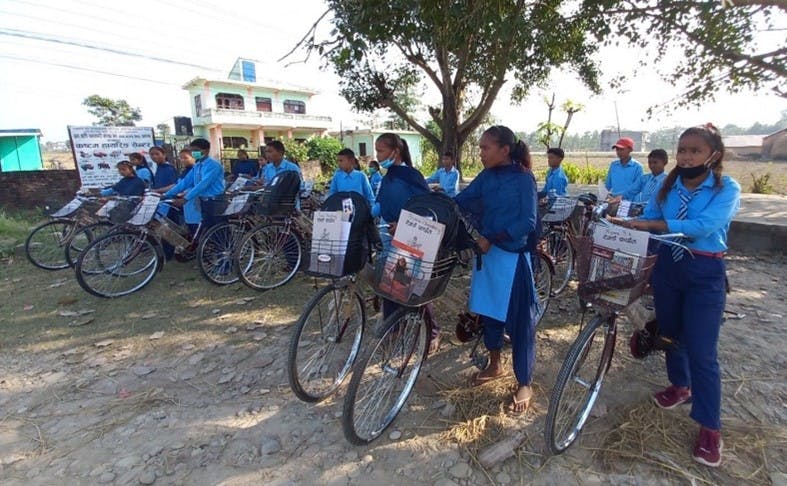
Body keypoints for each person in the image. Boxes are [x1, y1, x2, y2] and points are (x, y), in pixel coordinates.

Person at [609, 124, 740, 467]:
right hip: (668, 267)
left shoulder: (726, 189)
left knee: (703, 350)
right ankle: (679, 386)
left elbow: (703, 227)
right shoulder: (669, 186)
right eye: (682, 150)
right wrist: (630, 221)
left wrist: (653, 226)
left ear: (713, 155)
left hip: (704, 273)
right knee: (670, 333)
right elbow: (650, 216)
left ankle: (710, 427)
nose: (686, 157)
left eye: (695, 151)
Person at [454, 125, 539, 415]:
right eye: (479, 148)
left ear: (504, 149)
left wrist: (491, 236)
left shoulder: (523, 180)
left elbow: (527, 222)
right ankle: (494, 365)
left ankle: (525, 381)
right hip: (487, 256)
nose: (480, 153)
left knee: (519, 323)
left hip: (512, 258)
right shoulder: (487, 176)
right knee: (489, 311)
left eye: (485, 148)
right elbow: (462, 201)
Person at [373, 132, 441, 354]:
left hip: (409, 237)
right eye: (377, 150)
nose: (377, 155)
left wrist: (402, 223)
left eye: (381, 151)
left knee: (409, 288)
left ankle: (433, 332)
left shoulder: (411, 176)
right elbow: (380, 205)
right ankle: (394, 326)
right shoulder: (388, 177)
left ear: (395, 152)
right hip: (388, 237)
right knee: (388, 286)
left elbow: (426, 209)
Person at [162, 138, 225, 230]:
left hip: (215, 201)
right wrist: (166, 195)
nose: (193, 153)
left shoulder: (213, 165)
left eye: (196, 150)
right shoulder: (197, 165)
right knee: (206, 230)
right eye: (192, 151)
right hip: (203, 201)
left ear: (206, 150)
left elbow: (203, 184)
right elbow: (185, 182)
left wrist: (185, 199)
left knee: (218, 231)